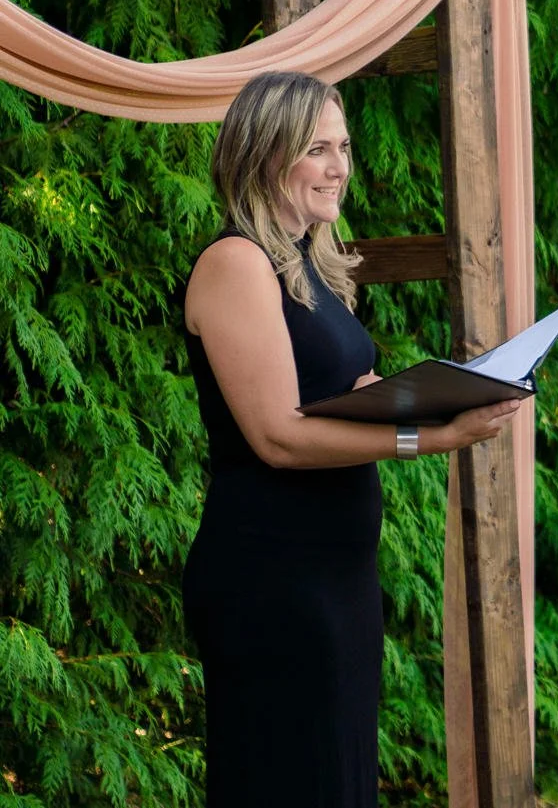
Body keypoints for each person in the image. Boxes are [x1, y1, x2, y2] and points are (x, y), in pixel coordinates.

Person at [180, 71, 517, 808]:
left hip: (337, 576)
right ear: (266, 155)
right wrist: (424, 439)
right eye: (318, 150)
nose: (341, 167)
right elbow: (278, 436)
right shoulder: (236, 263)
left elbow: (350, 390)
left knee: (337, 778)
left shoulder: (309, 265)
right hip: (273, 577)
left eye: (344, 146)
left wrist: (452, 391)